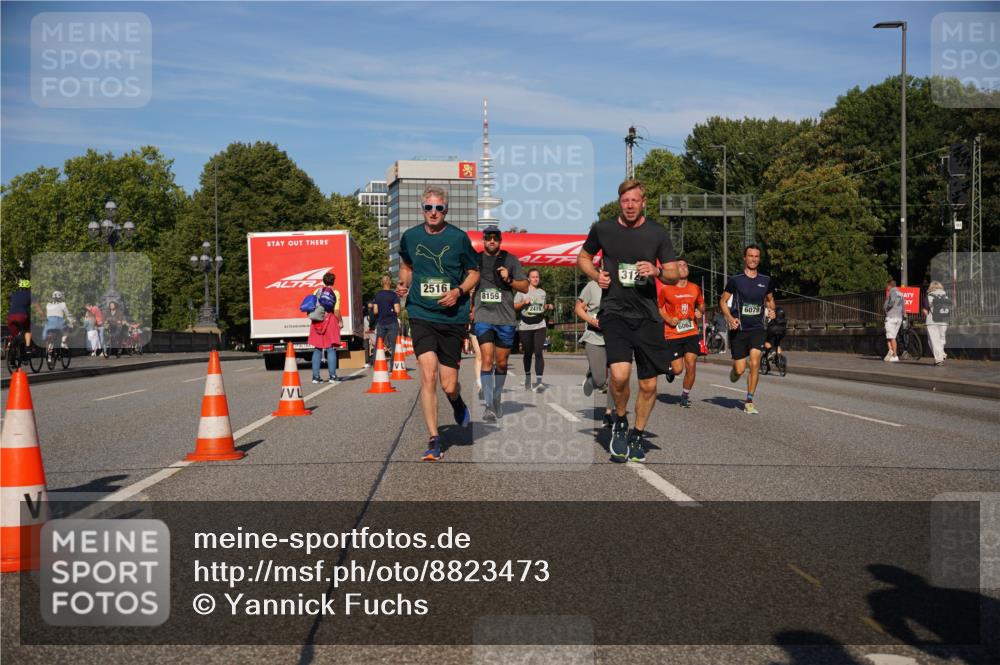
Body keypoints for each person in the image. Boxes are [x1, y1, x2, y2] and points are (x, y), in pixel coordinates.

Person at [577, 178, 679, 463]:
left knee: (648, 386)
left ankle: (637, 433)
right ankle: (620, 421)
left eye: (635, 200)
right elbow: (583, 258)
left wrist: (657, 272)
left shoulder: (657, 233)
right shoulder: (604, 229)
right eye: (625, 201)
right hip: (615, 312)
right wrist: (596, 276)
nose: (630, 205)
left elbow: (673, 273)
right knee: (619, 375)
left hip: (648, 316)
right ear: (619, 202)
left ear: (643, 202)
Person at [396, 186, 479, 462]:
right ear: (422, 209)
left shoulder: (458, 238)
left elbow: (473, 273)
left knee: (449, 385)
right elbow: (406, 267)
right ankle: (434, 439)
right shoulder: (410, 237)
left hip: (452, 318)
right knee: (427, 373)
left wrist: (458, 292)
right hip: (421, 313)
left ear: (446, 210)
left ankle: (456, 402)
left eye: (439, 208)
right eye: (429, 208)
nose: (433, 213)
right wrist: (404, 284)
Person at [472, 225, 529, 422]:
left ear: (500, 240)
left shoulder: (510, 259)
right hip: (483, 316)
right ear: (483, 239)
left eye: (495, 238)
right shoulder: (476, 259)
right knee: (487, 359)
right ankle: (488, 406)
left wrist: (509, 279)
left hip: (505, 318)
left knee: (502, 363)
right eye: (488, 238)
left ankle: (496, 398)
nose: (492, 241)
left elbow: (525, 286)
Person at [720, 245, 776, 415]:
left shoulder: (766, 280)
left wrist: (771, 310)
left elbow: (770, 300)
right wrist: (730, 318)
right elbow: (723, 301)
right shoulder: (735, 280)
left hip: (758, 328)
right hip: (739, 329)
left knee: (754, 363)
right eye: (750, 256)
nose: (753, 259)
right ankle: (735, 371)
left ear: (759, 259)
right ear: (744, 258)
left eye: (756, 256)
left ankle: (749, 400)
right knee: (739, 368)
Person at [658, 258, 705, 408]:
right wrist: (668, 318)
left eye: (685, 265)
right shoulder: (666, 289)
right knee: (679, 369)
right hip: (673, 333)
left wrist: (700, 311)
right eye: (679, 266)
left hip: (691, 332)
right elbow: (659, 307)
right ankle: (670, 370)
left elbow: (702, 304)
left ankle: (684, 395)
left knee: (691, 364)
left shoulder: (695, 288)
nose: (683, 267)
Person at [576, 266, 615, 428]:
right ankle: (592, 379)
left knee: (617, 378)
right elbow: (578, 308)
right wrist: (591, 320)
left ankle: (609, 414)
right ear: (599, 268)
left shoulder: (620, 285)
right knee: (601, 380)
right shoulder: (592, 286)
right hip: (595, 337)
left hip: (616, 337)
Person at [514, 269, 553, 392]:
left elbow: (542, 306)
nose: (536, 279)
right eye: (533, 277)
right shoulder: (522, 291)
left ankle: (539, 382)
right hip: (525, 325)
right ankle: (527, 377)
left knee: (539, 352)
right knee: (528, 352)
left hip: (540, 324)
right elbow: (514, 306)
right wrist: (523, 302)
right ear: (528, 279)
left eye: (537, 277)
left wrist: (548, 306)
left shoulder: (542, 292)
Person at [309, 272, 342, 383]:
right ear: (333, 281)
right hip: (330, 320)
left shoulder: (316, 291)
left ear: (323, 281)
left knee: (317, 349)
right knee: (331, 348)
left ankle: (315, 377)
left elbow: (312, 305)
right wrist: (340, 321)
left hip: (317, 321)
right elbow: (336, 310)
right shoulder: (335, 293)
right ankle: (332, 376)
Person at [921, 280, 950, 366]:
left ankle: (939, 359)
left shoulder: (929, 296)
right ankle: (941, 354)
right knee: (941, 339)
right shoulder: (945, 296)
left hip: (932, 321)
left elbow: (925, 311)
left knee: (933, 340)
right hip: (944, 320)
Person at [373, 275, 401, 358]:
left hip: (381, 322)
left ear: (382, 283)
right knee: (394, 345)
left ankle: (376, 365)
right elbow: (397, 310)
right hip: (392, 322)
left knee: (378, 344)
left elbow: (375, 311)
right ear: (390, 283)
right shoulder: (394, 295)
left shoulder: (377, 295)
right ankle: (393, 367)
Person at [7, 278, 33, 350]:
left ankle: (10, 344)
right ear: (29, 287)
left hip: (10, 316)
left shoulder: (13, 294)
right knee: (28, 329)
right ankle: (27, 347)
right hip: (22, 316)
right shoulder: (30, 294)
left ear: (19, 287)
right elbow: (37, 307)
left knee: (14, 332)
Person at [883, 278, 904, 363]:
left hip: (891, 317)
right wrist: (904, 314)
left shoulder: (892, 291)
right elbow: (903, 306)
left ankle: (894, 355)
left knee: (891, 337)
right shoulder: (900, 293)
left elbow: (891, 301)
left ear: (889, 285)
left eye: (887, 286)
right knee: (891, 337)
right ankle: (891, 353)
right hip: (899, 317)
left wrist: (887, 308)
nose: (886, 288)